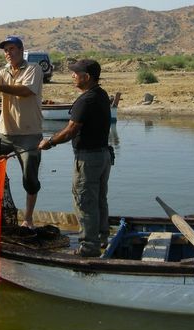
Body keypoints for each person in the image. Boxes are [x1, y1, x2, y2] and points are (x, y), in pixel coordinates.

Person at [38, 59, 113, 257]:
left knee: (85, 201)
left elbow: (71, 130)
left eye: (76, 73)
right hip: (103, 157)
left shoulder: (85, 100)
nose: (72, 75)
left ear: (86, 77)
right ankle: (102, 238)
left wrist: (50, 141)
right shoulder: (102, 95)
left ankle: (89, 247)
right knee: (98, 200)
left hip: (88, 159)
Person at [0, 36, 44, 229]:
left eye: (11, 49)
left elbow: (25, 90)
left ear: (21, 50)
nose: (8, 53)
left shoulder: (34, 69)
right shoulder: (4, 72)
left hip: (29, 135)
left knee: (29, 178)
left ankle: (28, 218)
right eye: (5, 50)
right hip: (4, 133)